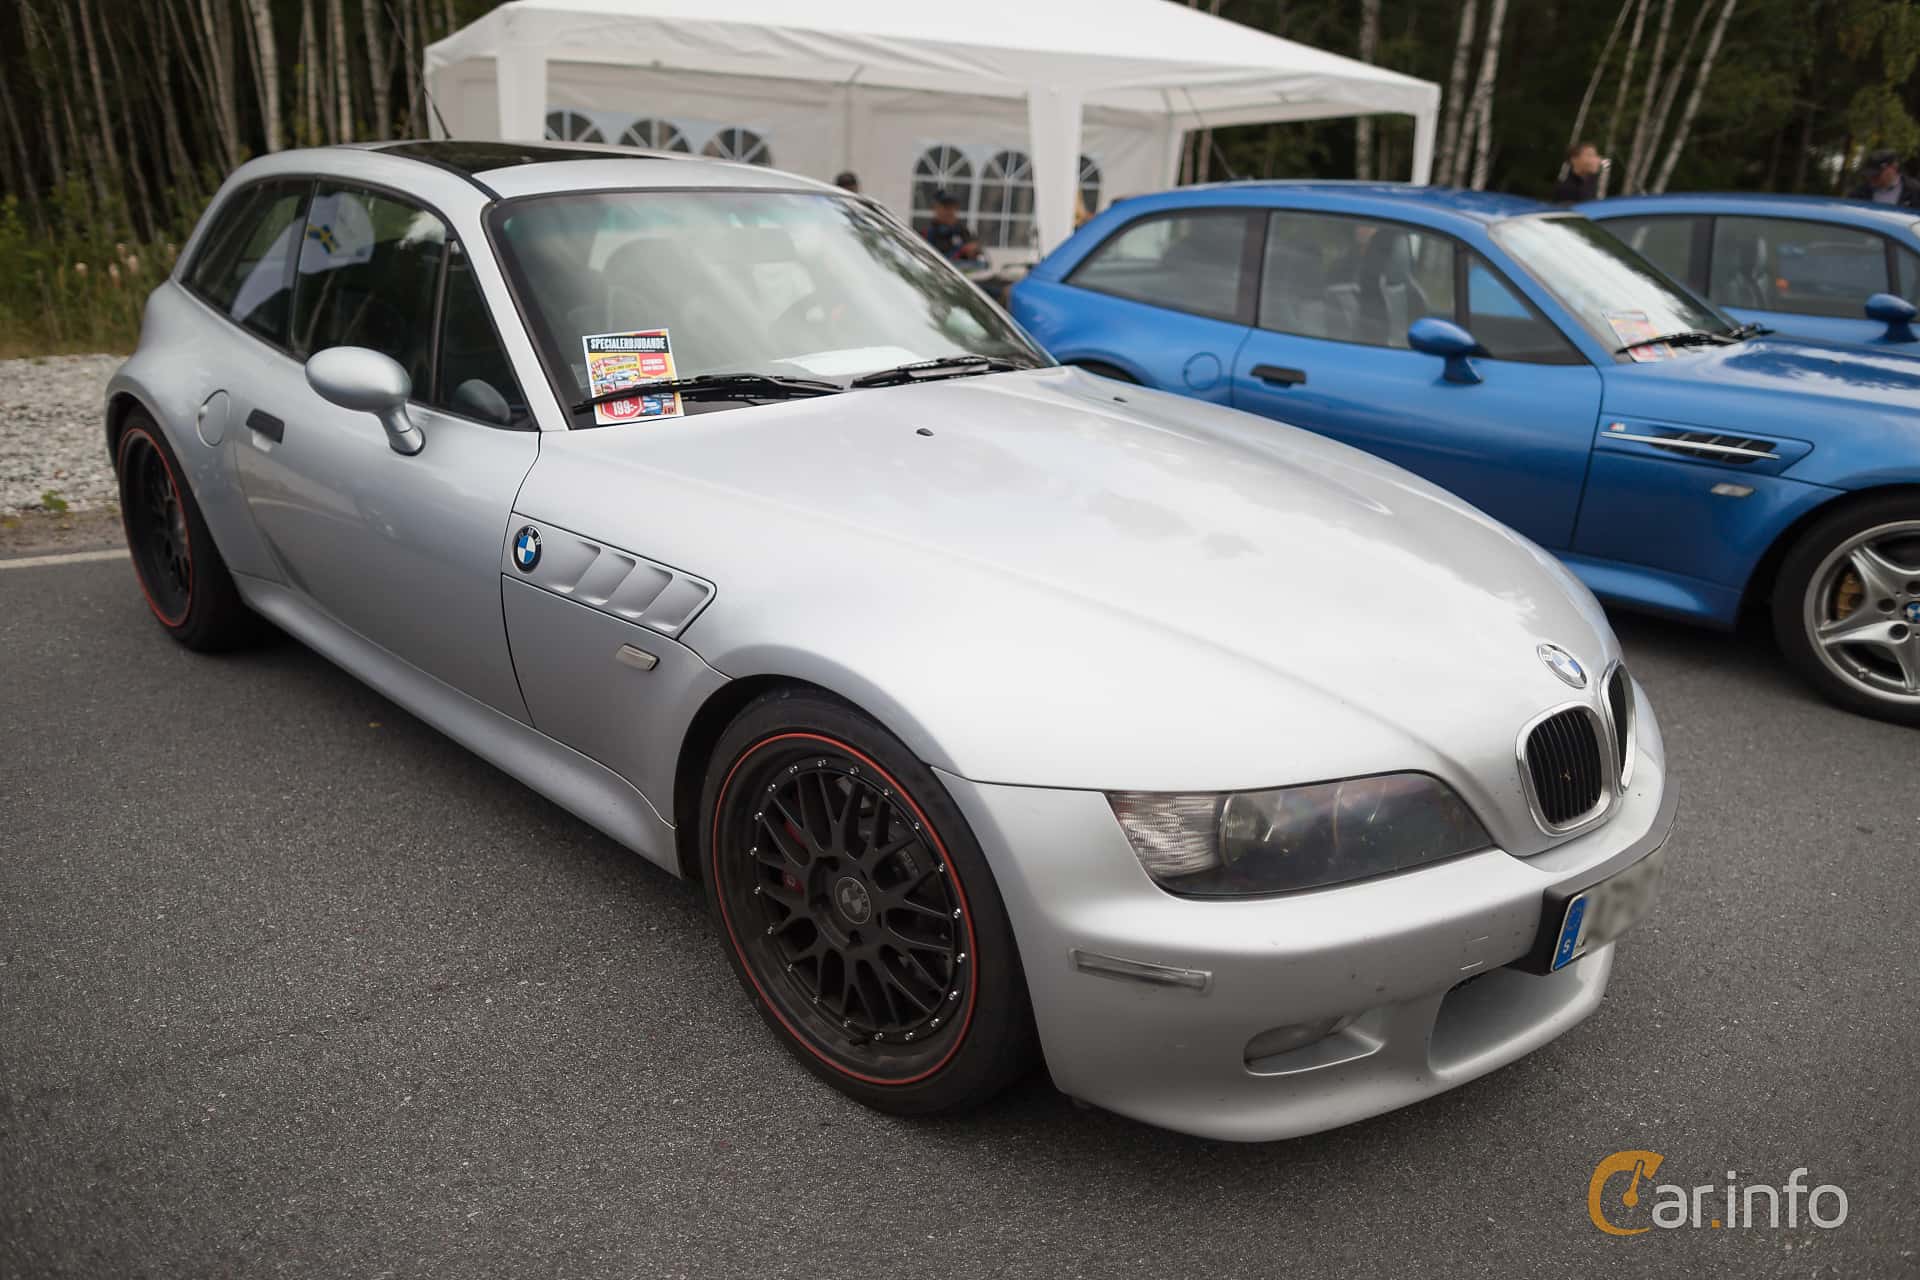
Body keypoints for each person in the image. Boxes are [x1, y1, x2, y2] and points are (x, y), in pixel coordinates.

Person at [1847, 149, 1920, 207]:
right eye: (1870, 174)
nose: (1872, 177)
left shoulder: (1915, 191)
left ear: (1894, 167)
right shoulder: (1859, 193)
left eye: (1877, 174)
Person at [924, 190, 981, 262]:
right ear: (936, 208)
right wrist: (961, 251)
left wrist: (973, 251)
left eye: (953, 207)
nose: (950, 212)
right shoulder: (927, 233)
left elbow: (977, 253)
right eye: (946, 207)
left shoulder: (963, 231)